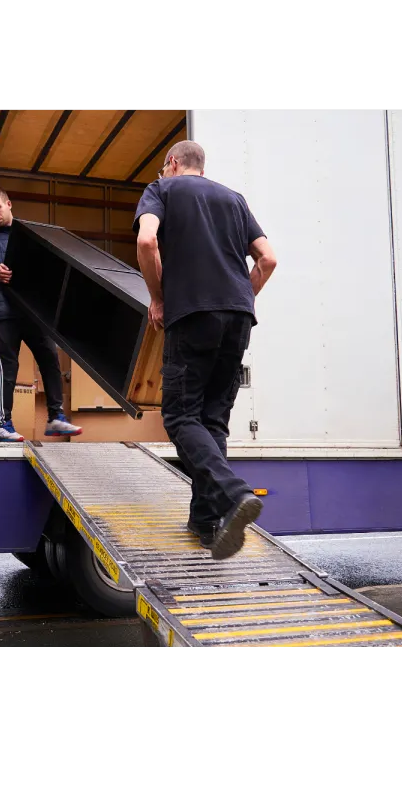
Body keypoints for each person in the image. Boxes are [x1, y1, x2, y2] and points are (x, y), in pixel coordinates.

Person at [133, 141, 277, 560]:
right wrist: (241, 298)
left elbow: (146, 242)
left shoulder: (162, 190)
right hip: (238, 318)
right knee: (212, 422)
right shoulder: (234, 199)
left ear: (173, 164)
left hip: (193, 315)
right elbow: (267, 258)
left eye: (164, 167)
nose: (163, 172)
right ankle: (207, 522)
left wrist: (158, 298)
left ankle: (233, 496)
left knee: (180, 417)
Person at [0, 187, 83, 442]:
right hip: (3, 315)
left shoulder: (30, 236)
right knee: (9, 369)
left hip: (33, 314)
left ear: (9, 204)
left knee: (50, 358)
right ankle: (3, 426)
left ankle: (56, 418)